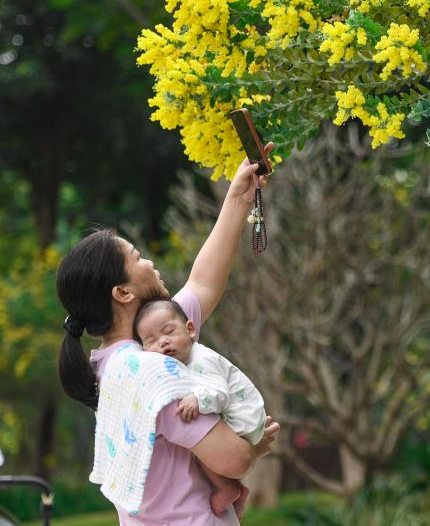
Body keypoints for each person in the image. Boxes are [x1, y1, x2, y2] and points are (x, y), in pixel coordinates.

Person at [56, 147, 280, 525]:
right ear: (122, 293)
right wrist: (256, 447)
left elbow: (203, 283)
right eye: (138, 257)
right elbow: (234, 458)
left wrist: (239, 198)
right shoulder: (150, 371)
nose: (150, 263)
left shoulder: (133, 355)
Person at [134, 299, 265, 518]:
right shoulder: (182, 363)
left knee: (197, 443)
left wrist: (197, 400)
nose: (163, 342)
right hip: (240, 418)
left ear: (190, 330)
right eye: (151, 341)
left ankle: (227, 489)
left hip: (243, 418)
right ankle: (236, 492)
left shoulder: (200, 360)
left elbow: (220, 394)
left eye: (169, 332)